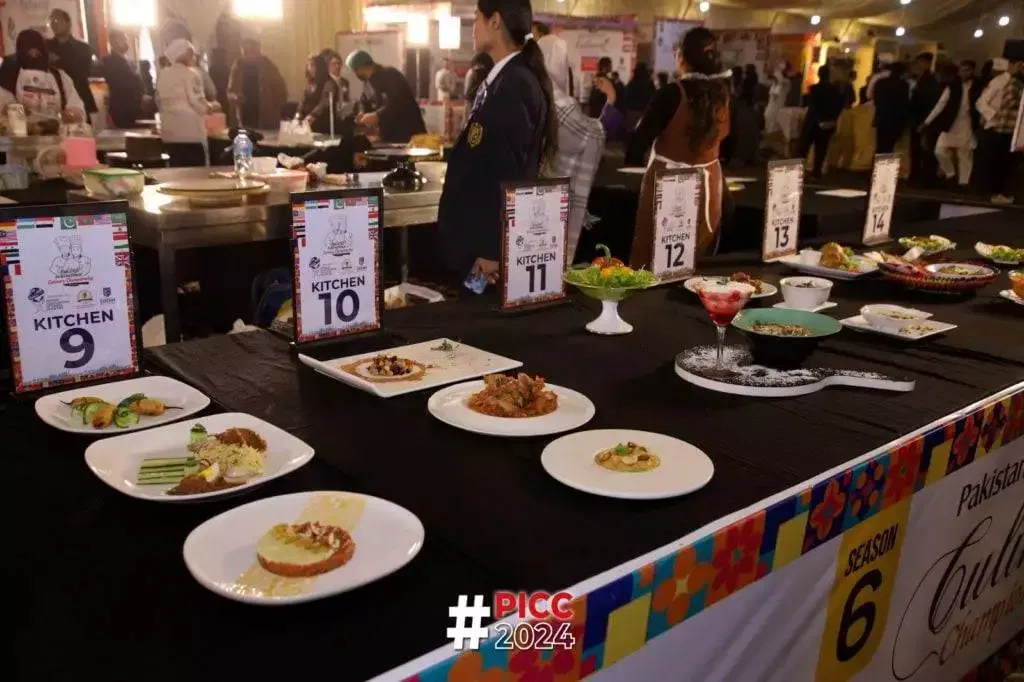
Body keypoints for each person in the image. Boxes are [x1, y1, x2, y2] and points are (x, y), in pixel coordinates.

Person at [437, 0, 556, 286]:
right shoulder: (503, 79)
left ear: (495, 21)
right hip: (477, 242)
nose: (472, 27)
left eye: (476, 18)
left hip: (488, 253)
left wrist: (492, 249)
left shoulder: (514, 84)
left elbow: (508, 171)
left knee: (481, 313)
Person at [626, 27, 732, 267]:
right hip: (708, 185)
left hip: (668, 184)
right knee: (696, 255)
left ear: (682, 57)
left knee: (653, 256)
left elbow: (638, 143)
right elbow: (727, 141)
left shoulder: (671, 93)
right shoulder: (723, 95)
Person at [538, 33, 605, 262]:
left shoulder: (531, 95)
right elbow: (591, 134)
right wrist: (611, 106)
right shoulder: (561, 104)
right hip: (556, 202)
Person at [0, 29, 84, 127]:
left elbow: (77, 109)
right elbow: (4, 107)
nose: (34, 54)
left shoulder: (60, 77)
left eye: (38, 50)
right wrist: (12, 110)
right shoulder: (8, 76)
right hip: (20, 134)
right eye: (28, 50)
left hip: (57, 133)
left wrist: (69, 115)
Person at [157, 39, 220, 166]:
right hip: (190, 133)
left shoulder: (163, 74)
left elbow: (158, 101)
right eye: (192, 53)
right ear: (186, 54)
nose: (194, 57)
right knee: (194, 173)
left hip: (169, 132)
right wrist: (213, 106)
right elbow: (197, 103)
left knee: (175, 171)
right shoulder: (191, 74)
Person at [976, 43, 1024, 203]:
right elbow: (981, 102)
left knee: (1003, 163)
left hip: (1007, 128)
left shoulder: (1014, 81)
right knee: (997, 163)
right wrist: (995, 117)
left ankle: (997, 192)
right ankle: (993, 193)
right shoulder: (1001, 81)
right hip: (997, 128)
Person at [346, 49, 426, 143]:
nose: (355, 74)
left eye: (356, 70)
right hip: (389, 134)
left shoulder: (390, 74)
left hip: (408, 131)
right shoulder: (367, 82)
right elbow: (364, 101)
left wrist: (377, 115)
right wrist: (362, 112)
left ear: (364, 67)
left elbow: (397, 102)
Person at [921, 62, 974, 187]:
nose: (964, 73)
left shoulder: (976, 86)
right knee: (939, 150)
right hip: (951, 123)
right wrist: (927, 122)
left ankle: (963, 182)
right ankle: (950, 172)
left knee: (964, 154)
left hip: (967, 123)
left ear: (972, 71)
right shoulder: (953, 87)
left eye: (967, 70)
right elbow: (941, 104)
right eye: (962, 70)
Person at [227, 37, 288, 130]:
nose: (248, 53)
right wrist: (236, 97)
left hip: (266, 117)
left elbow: (281, 90)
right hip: (245, 115)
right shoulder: (238, 66)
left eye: (251, 50)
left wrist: (274, 106)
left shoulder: (267, 65)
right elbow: (230, 92)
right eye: (245, 50)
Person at [46, 9, 97, 118]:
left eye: (57, 20)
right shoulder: (46, 47)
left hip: (80, 95)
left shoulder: (83, 48)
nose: (54, 24)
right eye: (52, 22)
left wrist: (59, 61)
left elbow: (83, 73)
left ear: (68, 23)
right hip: (55, 98)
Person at [798, 64, 845, 180]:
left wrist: (818, 119)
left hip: (813, 122)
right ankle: (816, 173)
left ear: (819, 75)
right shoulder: (836, 91)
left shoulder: (814, 89)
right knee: (821, 150)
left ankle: (799, 171)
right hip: (827, 123)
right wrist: (832, 119)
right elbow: (839, 106)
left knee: (804, 148)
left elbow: (814, 106)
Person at [95, 30, 144, 129]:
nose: (126, 42)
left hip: (135, 109)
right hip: (119, 110)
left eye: (125, 39)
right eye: (122, 39)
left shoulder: (130, 62)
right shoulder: (106, 62)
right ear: (113, 42)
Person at [909, 52, 941, 186]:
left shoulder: (930, 81)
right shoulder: (921, 79)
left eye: (921, 62)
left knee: (924, 150)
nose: (918, 65)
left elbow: (928, 102)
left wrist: (924, 121)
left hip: (923, 119)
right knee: (918, 149)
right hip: (918, 118)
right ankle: (918, 176)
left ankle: (924, 178)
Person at [296, 53, 340, 134]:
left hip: (322, 122)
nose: (310, 68)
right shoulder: (310, 82)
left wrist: (312, 115)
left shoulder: (329, 83)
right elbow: (303, 100)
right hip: (307, 121)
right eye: (308, 65)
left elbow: (324, 103)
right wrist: (298, 113)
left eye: (313, 65)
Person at [872, 60, 909, 154]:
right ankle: (886, 164)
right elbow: (904, 104)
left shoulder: (880, 83)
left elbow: (875, 100)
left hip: (881, 119)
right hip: (895, 121)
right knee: (890, 148)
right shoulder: (904, 85)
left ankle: (878, 162)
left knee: (880, 146)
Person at [763, 62, 791, 134]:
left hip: (779, 102)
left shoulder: (785, 82)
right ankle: (769, 129)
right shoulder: (776, 82)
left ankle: (773, 130)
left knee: (774, 115)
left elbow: (780, 84)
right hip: (773, 102)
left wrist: (775, 78)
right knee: (768, 114)